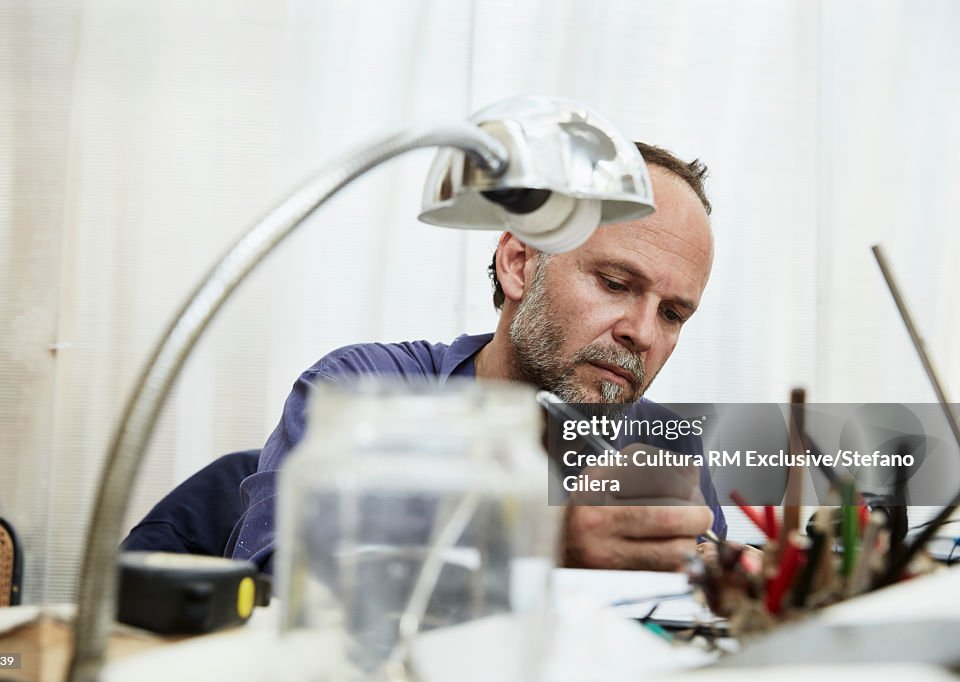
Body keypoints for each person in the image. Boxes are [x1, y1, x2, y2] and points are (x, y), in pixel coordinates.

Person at [226, 142, 726, 574]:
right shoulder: (360, 390)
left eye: (673, 314)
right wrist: (542, 544)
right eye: (615, 284)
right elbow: (277, 573)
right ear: (518, 264)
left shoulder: (670, 449)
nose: (641, 333)